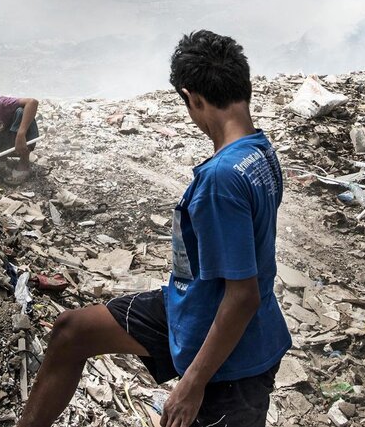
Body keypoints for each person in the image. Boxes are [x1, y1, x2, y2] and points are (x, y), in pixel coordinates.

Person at [17, 31, 290, 427]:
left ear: (192, 97)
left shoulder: (222, 179)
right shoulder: (259, 152)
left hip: (234, 357)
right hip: (191, 304)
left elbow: (243, 296)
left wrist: (191, 384)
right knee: (71, 331)